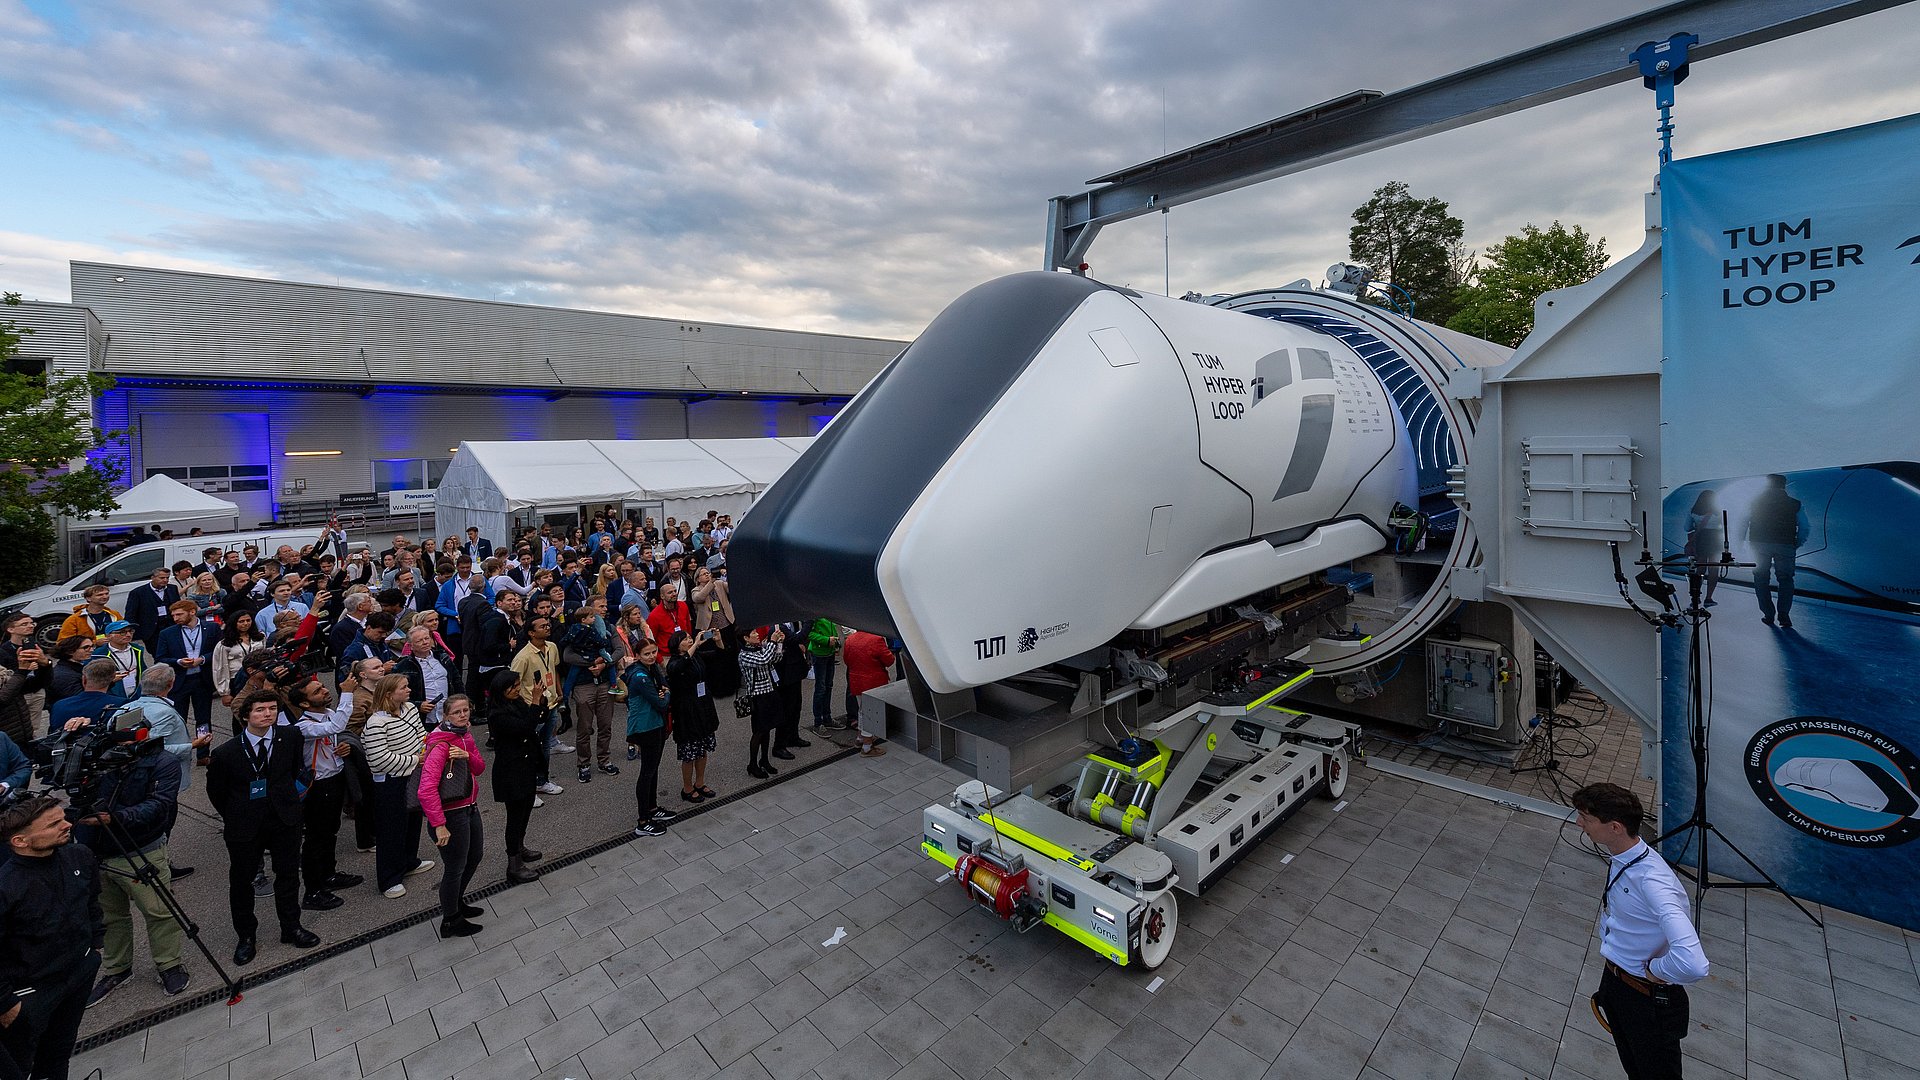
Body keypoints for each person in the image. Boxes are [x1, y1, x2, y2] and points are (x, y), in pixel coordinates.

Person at [1573, 783, 1708, 1079]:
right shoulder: (1624, 857)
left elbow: (1693, 962)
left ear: (1615, 827)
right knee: (1635, 1069)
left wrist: (1658, 969)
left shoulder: (1653, 883)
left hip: (1646, 999)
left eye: (1586, 818)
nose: (1579, 823)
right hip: (1619, 984)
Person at [73, 701, 191, 1005]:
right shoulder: (95, 758)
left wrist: (116, 818)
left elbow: (159, 805)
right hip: (95, 850)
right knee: (110, 916)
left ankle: (169, 965)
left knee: (159, 911)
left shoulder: (162, 762)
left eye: (129, 740)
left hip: (141, 849)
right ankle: (117, 968)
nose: (121, 748)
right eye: (118, 741)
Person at [208, 690, 324, 964]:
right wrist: (236, 815)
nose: (267, 714)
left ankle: (291, 927)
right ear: (246, 715)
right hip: (245, 825)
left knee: (287, 874)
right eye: (260, 709)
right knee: (242, 881)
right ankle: (246, 936)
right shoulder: (226, 753)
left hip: (283, 818)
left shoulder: (289, 737)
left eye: (272, 708)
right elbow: (217, 793)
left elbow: (295, 771)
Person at [0, 795, 103, 1080]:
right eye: (53, 824)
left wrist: (95, 949)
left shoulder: (79, 855)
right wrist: (7, 1006)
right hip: (31, 994)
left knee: (58, 1055)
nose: (67, 825)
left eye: (63, 818)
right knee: (21, 1065)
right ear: (20, 841)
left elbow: (92, 901)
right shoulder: (6, 887)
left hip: (78, 975)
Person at [288, 676, 364, 911]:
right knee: (316, 838)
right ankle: (312, 891)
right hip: (318, 786)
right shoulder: (304, 726)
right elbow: (336, 727)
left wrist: (342, 748)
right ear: (304, 704)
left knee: (330, 832)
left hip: (335, 779)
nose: (324, 691)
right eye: (317, 691)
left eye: (321, 687)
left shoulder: (328, 713)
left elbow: (334, 733)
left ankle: (329, 874)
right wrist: (348, 693)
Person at [361, 674, 436, 899]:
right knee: (391, 829)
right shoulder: (375, 723)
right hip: (391, 782)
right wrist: (415, 760)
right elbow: (378, 759)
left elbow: (420, 735)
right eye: (403, 688)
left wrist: (428, 745)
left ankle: (409, 861)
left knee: (413, 820)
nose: (409, 690)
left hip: (413, 775)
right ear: (388, 694)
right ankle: (389, 878)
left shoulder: (411, 710)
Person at [419, 693, 486, 938]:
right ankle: (450, 920)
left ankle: (457, 902)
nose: (463, 715)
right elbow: (425, 790)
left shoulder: (464, 735)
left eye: (466, 710)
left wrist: (468, 756)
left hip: (470, 807)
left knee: (475, 855)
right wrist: (439, 824)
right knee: (455, 867)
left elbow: (479, 768)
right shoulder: (440, 744)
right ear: (445, 715)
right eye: (457, 712)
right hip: (451, 815)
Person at [486, 673, 543, 884]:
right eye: (513, 686)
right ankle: (514, 864)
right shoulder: (497, 714)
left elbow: (533, 717)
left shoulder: (516, 702)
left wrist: (540, 702)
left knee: (526, 809)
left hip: (525, 766)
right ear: (501, 690)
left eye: (518, 685)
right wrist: (536, 700)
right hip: (510, 772)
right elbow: (526, 727)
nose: (517, 689)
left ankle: (520, 847)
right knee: (515, 816)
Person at [562, 602, 623, 783]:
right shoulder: (577, 629)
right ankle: (584, 763)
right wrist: (590, 662)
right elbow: (567, 656)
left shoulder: (609, 627)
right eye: (600, 607)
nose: (605, 609)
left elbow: (619, 650)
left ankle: (604, 760)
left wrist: (604, 663)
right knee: (584, 728)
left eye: (605, 606)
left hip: (605, 683)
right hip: (583, 685)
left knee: (605, 725)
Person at [621, 639, 673, 837]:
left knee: (653, 768)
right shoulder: (639, 676)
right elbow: (661, 702)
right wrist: (665, 694)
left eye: (654, 652)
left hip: (656, 724)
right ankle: (643, 821)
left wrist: (664, 692)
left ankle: (652, 808)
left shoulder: (652, 669)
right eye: (647, 654)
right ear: (637, 655)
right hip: (645, 727)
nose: (651, 656)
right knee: (647, 772)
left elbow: (664, 684)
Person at [510, 614, 566, 795]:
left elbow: (554, 670)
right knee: (529, 749)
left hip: (551, 704)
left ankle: (542, 781)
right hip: (532, 708)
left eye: (547, 624)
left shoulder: (552, 647)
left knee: (545, 747)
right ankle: (528, 787)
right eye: (542, 626)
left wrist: (559, 691)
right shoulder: (522, 657)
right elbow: (512, 684)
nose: (547, 627)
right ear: (532, 633)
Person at [1745, 473, 1809, 629]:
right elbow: (1805, 527)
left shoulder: (1754, 502)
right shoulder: (1795, 504)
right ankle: (1784, 615)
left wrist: (1744, 543)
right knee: (1786, 579)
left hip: (1759, 544)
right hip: (1785, 544)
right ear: (1784, 485)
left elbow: (1744, 522)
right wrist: (1796, 543)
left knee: (1761, 578)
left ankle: (1768, 614)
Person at [665, 629, 720, 803]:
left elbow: (719, 655)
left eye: (690, 638)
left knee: (702, 748)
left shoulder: (696, 656)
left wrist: (717, 640)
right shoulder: (674, 662)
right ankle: (687, 788)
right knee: (689, 752)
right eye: (686, 639)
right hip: (686, 712)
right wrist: (695, 644)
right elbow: (678, 667)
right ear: (676, 644)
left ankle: (700, 782)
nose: (690, 640)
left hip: (703, 706)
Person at [155, 599, 217, 742]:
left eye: (179, 615)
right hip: (179, 681)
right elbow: (160, 658)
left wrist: (202, 659)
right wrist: (178, 662)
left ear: (192, 612)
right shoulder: (167, 633)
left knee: (203, 718)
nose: (175, 618)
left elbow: (218, 651)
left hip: (202, 680)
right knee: (178, 717)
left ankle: (203, 750)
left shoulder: (211, 628)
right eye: (174, 615)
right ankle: (181, 747)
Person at [737, 626, 786, 779]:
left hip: (770, 691)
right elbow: (763, 660)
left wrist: (779, 644)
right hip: (758, 696)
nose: (757, 634)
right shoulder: (744, 655)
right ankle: (752, 764)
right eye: (753, 633)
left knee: (768, 728)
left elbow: (775, 659)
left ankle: (764, 760)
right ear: (745, 638)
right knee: (759, 731)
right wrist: (772, 641)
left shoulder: (760, 648)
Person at [842, 629, 895, 757]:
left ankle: (860, 738)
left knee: (862, 710)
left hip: (856, 681)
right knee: (871, 713)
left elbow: (846, 660)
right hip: (873, 682)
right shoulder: (876, 639)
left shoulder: (850, 639)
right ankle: (867, 746)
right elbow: (889, 660)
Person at [89, 621, 151, 702]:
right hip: (113, 697)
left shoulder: (138, 649)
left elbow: (143, 670)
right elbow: (93, 679)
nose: (128, 635)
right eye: (122, 632)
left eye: (131, 631)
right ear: (109, 636)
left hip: (137, 695)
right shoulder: (99, 655)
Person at [123, 566, 180, 650]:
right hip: (151, 630)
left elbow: (178, 606)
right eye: (161, 578)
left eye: (167, 578)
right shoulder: (138, 593)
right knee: (157, 653)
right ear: (152, 578)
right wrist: (130, 631)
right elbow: (131, 613)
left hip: (171, 626)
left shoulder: (172, 589)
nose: (165, 580)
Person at [806, 618, 842, 731]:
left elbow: (833, 627)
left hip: (830, 653)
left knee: (828, 686)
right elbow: (808, 633)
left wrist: (836, 643)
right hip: (820, 654)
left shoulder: (826, 609)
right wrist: (826, 640)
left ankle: (827, 718)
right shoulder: (813, 612)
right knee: (820, 688)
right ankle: (818, 722)